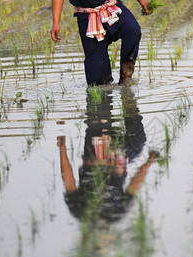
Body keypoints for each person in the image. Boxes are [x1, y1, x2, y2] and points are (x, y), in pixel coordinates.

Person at [57, 87, 158, 223]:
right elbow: (132, 188)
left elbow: (69, 182)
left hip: (95, 155)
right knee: (138, 141)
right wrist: (148, 163)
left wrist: (62, 148)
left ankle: (105, 92)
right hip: (120, 157)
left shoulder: (80, 212)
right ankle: (128, 97)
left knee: (99, 113)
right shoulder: (116, 214)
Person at [51, 0, 151, 86]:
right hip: (87, 15)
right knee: (98, 82)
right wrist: (56, 23)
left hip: (111, 6)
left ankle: (126, 79)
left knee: (132, 30)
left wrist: (142, 1)